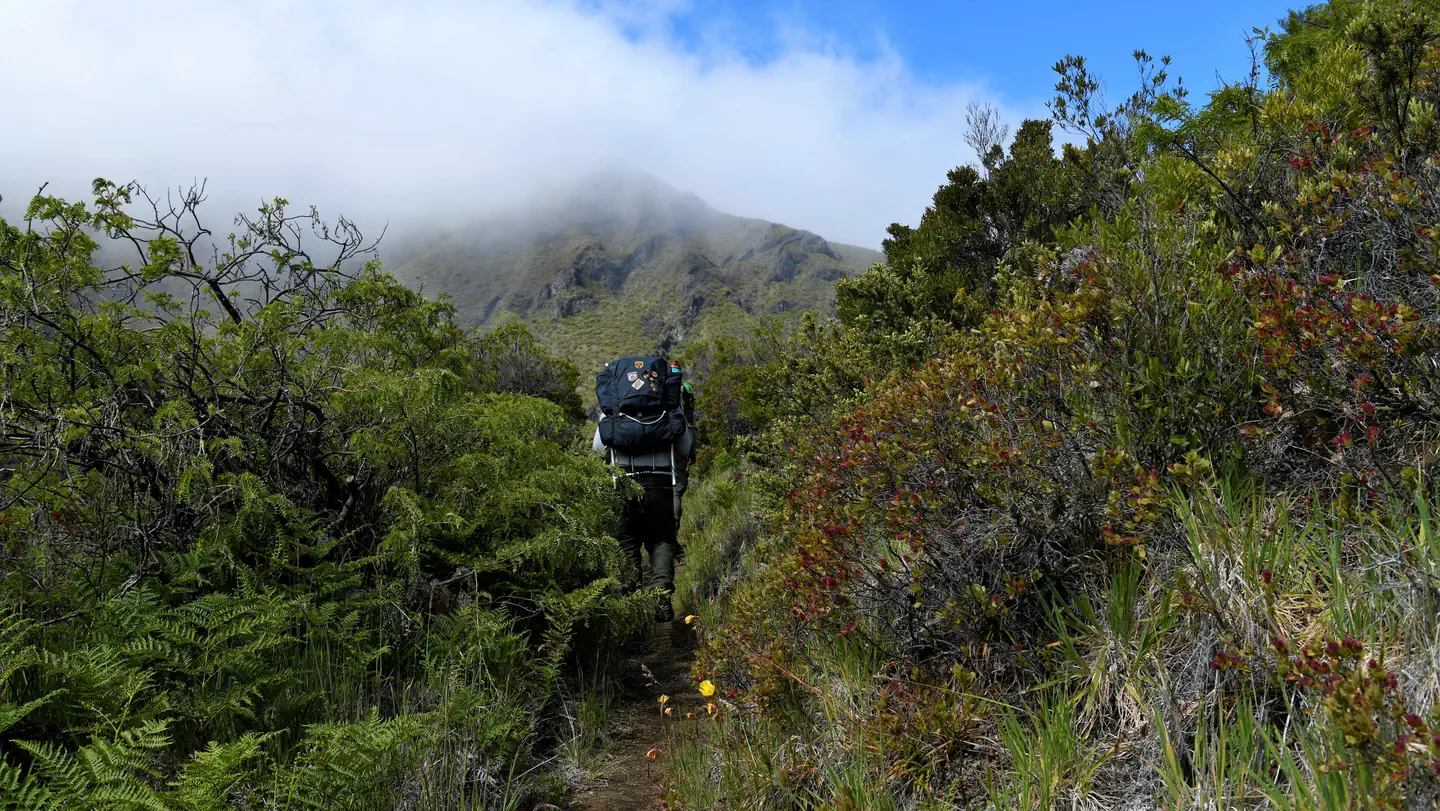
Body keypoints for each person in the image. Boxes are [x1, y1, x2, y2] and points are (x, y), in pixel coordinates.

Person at [593, 373, 696, 622]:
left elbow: (598, 448)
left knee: (626, 543)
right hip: (659, 485)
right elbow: (684, 448)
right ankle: (660, 599)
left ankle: (631, 604)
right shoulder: (669, 409)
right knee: (661, 541)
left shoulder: (613, 411)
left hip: (623, 485)